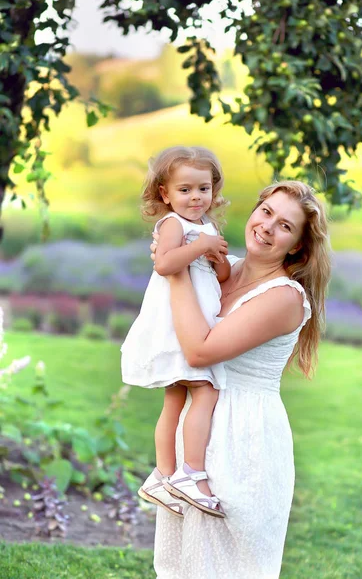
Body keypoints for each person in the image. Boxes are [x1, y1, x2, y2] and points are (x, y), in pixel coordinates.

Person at [151, 180, 331, 579]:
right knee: (180, 564)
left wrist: (176, 269)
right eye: (266, 212)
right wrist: (181, 258)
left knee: (228, 565)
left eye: (285, 226)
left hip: (245, 437)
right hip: (196, 425)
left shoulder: (284, 297)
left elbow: (199, 351)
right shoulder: (221, 268)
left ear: (298, 246)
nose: (267, 227)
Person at [121, 146, 230, 518]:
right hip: (175, 323)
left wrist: (217, 259)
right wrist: (200, 246)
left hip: (196, 319)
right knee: (205, 390)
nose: (196, 197)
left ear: (214, 190)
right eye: (184, 190)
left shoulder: (208, 228)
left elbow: (219, 276)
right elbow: (165, 263)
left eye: (203, 188)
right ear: (165, 194)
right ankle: (190, 473)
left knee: (175, 399)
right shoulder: (174, 225)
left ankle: (161, 475)